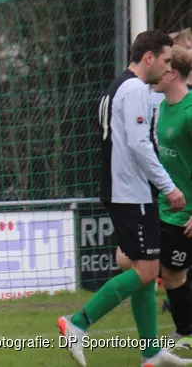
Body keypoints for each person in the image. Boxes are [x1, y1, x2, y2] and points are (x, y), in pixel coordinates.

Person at [58, 29, 191, 367]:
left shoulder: (118, 87)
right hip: (132, 194)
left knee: (141, 267)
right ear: (149, 57)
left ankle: (150, 353)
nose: (166, 67)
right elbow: (138, 144)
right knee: (147, 271)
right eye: (164, 59)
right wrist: (169, 187)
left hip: (122, 191)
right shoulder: (133, 89)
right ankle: (78, 322)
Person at [151, 44, 192, 349]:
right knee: (171, 272)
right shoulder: (163, 107)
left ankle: (185, 332)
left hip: (186, 213)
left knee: (173, 273)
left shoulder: (190, 113)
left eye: (162, 67)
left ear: (173, 73)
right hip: (168, 208)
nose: (156, 73)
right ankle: (185, 331)